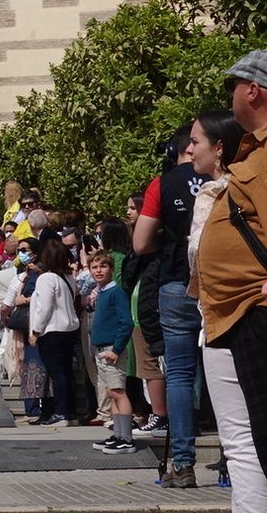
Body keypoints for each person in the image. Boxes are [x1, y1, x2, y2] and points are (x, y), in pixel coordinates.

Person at [198, 57, 267, 505]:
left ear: (254, 91)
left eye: (234, 86)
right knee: (251, 441)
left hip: (255, 312)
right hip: (235, 314)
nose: (231, 95)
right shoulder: (254, 151)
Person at [133, 124, 209, 487]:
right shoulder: (223, 178)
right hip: (218, 284)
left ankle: (182, 462)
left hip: (177, 283)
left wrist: (168, 235)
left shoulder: (161, 184)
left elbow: (140, 243)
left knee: (178, 373)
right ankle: (233, 459)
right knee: (225, 372)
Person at [85, 250, 135, 453]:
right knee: (111, 392)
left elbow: (126, 322)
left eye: (103, 266)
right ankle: (119, 434)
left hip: (110, 350)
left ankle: (127, 438)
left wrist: (116, 349)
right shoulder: (102, 291)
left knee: (118, 392)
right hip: (101, 350)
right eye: (94, 267)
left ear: (112, 269)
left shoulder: (115, 292)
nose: (98, 270)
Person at [28, 238, 81, 427]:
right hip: (70, 329)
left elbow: (44, 308)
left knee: (57, 373)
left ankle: (61, 413)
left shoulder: (46, 278)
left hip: (52, 330)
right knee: (66, 372)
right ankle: (71, 412)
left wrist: (35, 331)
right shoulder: (67, 277)